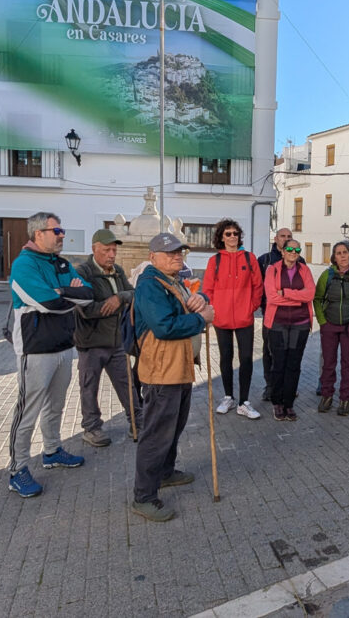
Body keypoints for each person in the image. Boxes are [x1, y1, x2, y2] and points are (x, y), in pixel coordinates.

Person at [6, 212, 94, 498]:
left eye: (61, 230)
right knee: (27, 412)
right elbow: (49, 303)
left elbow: (89, 295)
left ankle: (52, 451)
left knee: (55, 406)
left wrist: (60, 292)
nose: (61, 235)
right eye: (55, 230)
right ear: (37, 233)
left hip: (64, 347)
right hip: (35, 350)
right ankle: (17, 469)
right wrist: (66, 293)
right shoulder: (23, 265)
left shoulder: (62, 263)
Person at [131, 233, 214, 522]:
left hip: (178, 368)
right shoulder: (151, 285)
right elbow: (165, 326)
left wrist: (201, 300)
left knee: (174, 427)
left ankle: (165, 472)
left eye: (179, 252)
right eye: (169, 253)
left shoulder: (173, 281)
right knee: (156, 434)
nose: (177, 256)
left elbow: (189, 302)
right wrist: (201, 318)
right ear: (152, 257)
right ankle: (144, 496)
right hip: (161, 371)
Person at [75, 228, 142, 448]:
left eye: (114, 250)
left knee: (127, 385)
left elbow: (133, 294)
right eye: (106, 250)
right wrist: (115, 305)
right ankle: (92, 428)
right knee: (89, 387)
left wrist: (119, 297)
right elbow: (86, 308)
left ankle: (138, 422)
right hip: (91, 343)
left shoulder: (118, 271)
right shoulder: (83, 273)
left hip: (117, 341)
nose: (111, 254)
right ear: (95, 249)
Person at [203, 219, 263, 420]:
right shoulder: (214, 261)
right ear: (221, 237)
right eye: (228, 233)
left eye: (235, 233)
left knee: (246, 358)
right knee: (225, 358)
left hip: (244, 317)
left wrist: (251, 307)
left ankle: (244, 402)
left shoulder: (249, 258)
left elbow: (258, 286)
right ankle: (228, 396)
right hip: (222, 319)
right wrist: (213, 310)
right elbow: (207, 289)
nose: (232, 237)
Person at [314, 240, 349, 416]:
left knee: (348, 363)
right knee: (328, 363)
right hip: (330, 326)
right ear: (334, 257)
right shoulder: (327, 275)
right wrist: (322, 322)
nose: (342, 256)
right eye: (338, 253)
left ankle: (345, 398)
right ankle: (326, 395)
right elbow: (317, 299)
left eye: (345, 252)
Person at [263, 239, 315, 421]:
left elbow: (310, 294)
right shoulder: (272, 269)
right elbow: (271, 297)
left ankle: (289, 404)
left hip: (300, 324)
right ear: (283, 251)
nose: (294, 252)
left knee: (294, 365)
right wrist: (298, 297)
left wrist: (285, 293)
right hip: (278, 324)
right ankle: (277, 402)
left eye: (297, 249)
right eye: (290, 249)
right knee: (279, 364)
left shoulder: (305, 270)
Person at [257, 227, 304, 402]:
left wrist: (288, 296)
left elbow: (306, 290)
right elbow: (260, 288)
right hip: (271, 315)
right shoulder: (264, 260)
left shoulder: (301, 262)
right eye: (282, 236)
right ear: (276, 239)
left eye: (289, 236)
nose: (285, 239)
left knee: (290, 352)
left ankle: (288, 386)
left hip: (295, 317)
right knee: (270, 352)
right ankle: (270, 387)